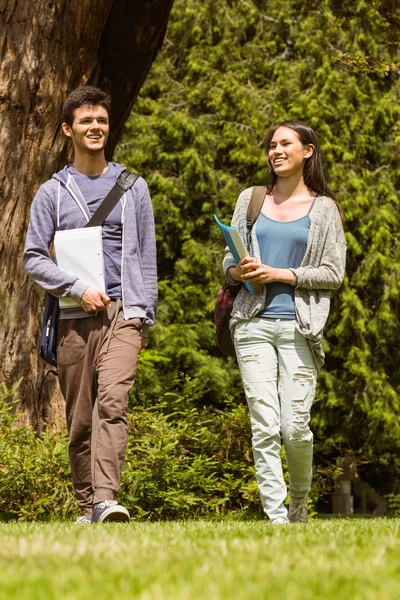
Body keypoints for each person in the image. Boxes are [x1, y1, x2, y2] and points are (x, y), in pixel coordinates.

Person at [24, 86, 157, 524]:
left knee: (114, 403)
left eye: (101, 120)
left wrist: (142, 312)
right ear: (68, 130)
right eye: (86, 121)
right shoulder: (52, 193)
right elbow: (33, 258)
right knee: (80, 421)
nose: (96, 127)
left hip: (123, 313)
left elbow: (146, 255)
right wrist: (77, 288)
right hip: (72, 318)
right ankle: (87, 508)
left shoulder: (133, 187)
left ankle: (105, 499)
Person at [223, 120, 346, 524]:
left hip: (300, 327)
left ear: (307, 151)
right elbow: (228, 261)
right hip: (251, 324)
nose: (275, 151)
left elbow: (333, 273)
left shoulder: (325, 209)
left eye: (285, 144)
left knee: (295, 428)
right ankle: (276, 520)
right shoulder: (251, 199)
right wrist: (238, 271)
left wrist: (281, 274)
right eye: (271, 145)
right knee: (264, 424)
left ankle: (298, 505)